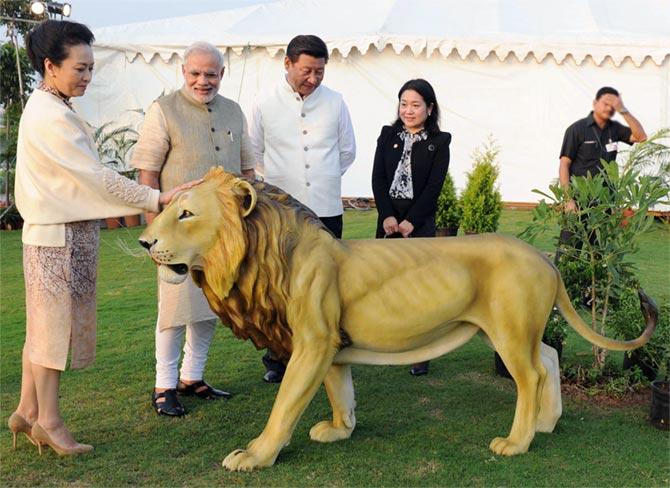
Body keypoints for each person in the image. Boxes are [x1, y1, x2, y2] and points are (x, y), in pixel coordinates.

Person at [9, 20, 195, 455]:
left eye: (91, 68)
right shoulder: (52, 115)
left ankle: (26, 410)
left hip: (57, 232)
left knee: (41, 327)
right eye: (80, 68)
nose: (88, 77)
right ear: (50, 66)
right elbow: (96, 178)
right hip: (58, 237)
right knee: (52, 332)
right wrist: (156, 196)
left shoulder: (50, 105)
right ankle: (49, 422)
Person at [131, 41, 256, 417]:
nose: (204, 81)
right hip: (177, 235)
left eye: (211, 74)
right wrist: (154, 227)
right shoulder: (163, 110)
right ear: (183, 72)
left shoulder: (234, 111)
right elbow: (147, 173)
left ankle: (192, 377)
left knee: (210, 306)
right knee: (173, 309)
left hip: (223, 235)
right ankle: (164, 386)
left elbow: (247, 169)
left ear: (222, 74)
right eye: (196, 73)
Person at [249, 34, 356, 383]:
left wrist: (322, 179)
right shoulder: (264, 102)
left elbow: (346, 151)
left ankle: (330, 349)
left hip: (325, 206)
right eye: (307, 70)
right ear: (288, 64)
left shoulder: (336, 102)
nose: (313, 78)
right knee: (281, 285)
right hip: (281, 213)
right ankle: (279, 357)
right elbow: (254, 154)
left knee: (329, 281)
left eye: (320, 71)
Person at [371, 78, 451, 376]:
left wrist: (410, 223)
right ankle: (389, 341)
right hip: (389, 221)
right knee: (385, 283)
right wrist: (388, 217)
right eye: (404, 104)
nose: (408, 110)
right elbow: (378, 179)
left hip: (418, 221)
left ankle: (421, 351)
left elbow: (434, 188)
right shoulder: (388, 135)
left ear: (430, 108)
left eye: (416, 105)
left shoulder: (439, 143)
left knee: (419, 289)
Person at [555, 86, 647, 264]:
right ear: (595, 103)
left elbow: (641, 136)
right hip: (578, 200)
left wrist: (624, 110)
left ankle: (593, 291)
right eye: (606, 103)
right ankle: (563, 288)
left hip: (604, 203)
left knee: (598, 255)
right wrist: (568, 199)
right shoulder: (576, 129)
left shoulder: (615, 130)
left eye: (613, 105)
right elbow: (564, 165)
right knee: (568, 253)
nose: (609, 108)